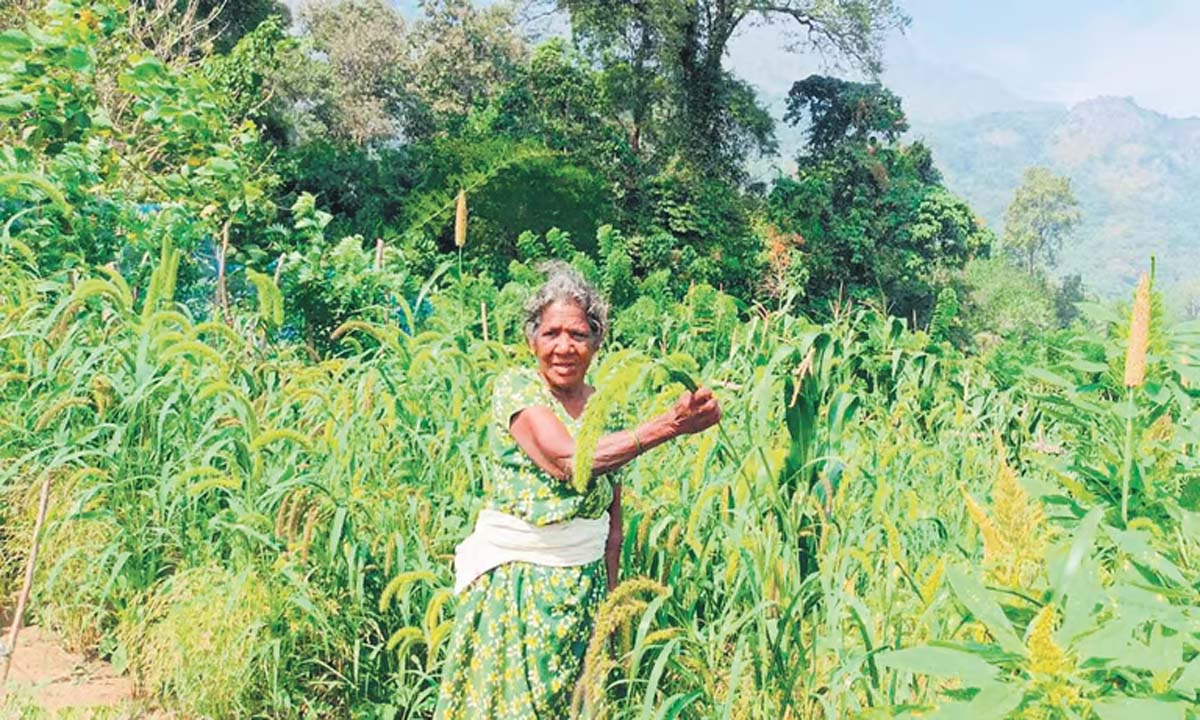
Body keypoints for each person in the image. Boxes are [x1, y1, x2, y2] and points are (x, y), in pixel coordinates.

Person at [433, 262, 721, 718]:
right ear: (532, 340)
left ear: (596, 341)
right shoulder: (517, 388)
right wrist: (670, 425)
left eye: (578, 335)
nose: (564, 347)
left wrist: (608, 602)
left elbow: (611, 518)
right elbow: (569, 460)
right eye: (551, 334)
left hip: (583, 586)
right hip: (518, 585)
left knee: (574, 704)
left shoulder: (603, 403)